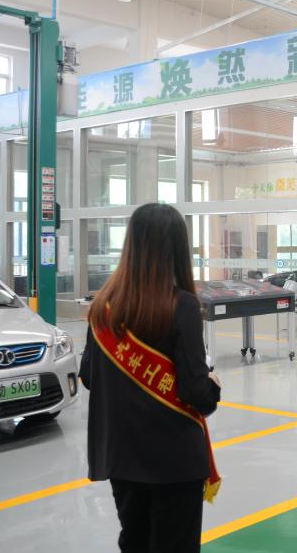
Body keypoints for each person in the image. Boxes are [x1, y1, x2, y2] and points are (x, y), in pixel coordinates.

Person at [80, 203, 221, 553]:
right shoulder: (181, 305)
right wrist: (213, 386)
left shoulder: (103, 306)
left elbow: (88, 377)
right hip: (174, 460)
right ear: (176, 249)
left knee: (134, 542)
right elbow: (197, 393)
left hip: (122, 457)